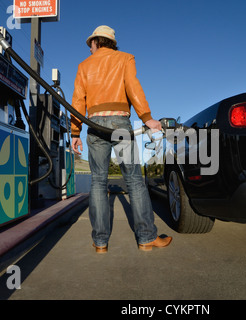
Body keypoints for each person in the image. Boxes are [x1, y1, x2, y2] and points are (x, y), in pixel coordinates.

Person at [70, 25, 172, 253]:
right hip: (119, 125)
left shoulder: (84, 66)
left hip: (94, 125)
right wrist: (147, 117)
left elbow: (78, 100)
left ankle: (100, 243)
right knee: (135, 180)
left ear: (97, 41)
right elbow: (132, 87)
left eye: (90, 45)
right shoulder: (125, 58)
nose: (89, 50)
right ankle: (146, 238)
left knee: (98, 181)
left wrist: (75, 132)